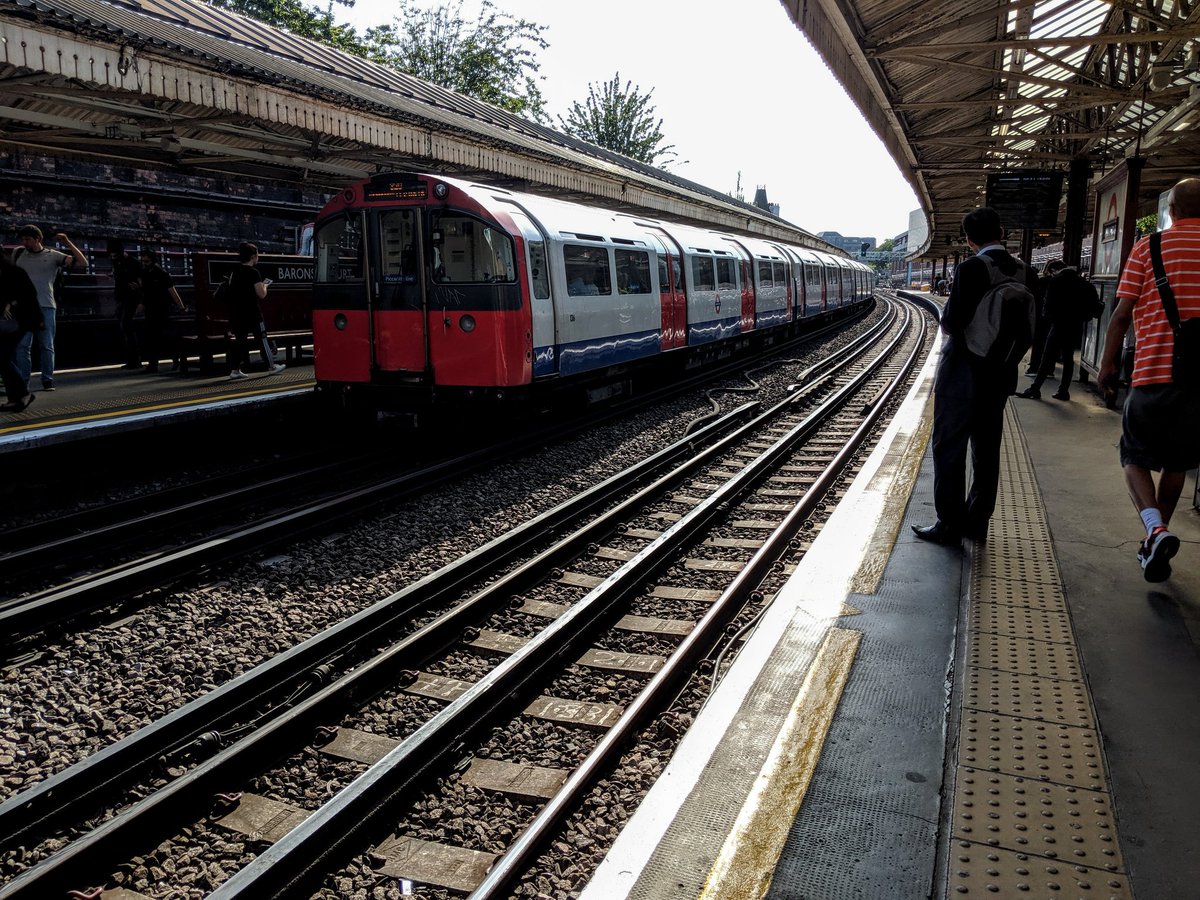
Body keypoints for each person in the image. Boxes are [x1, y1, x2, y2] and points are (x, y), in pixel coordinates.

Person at [912, 207, 1039, 545]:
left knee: (949, 449)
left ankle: (949, 524)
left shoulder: (971, 267)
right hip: (1000, 374)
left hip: (962, 375)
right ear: (1001, 231)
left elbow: (951, 322)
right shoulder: (1027, 272)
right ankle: (977, 521)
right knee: (987, 451)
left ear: (968, 240)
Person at [1098, 177, 1200, 583]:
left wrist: (1107, 365)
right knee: (1178, 462)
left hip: (1154, 372)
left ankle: (1155, 529)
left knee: (1134, 456)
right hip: (1199, 383)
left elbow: (1121, 316)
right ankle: (1155, 537)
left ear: (1171, 211)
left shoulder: (1149, 246)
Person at [12, 225, 86, 392]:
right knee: (22, 346)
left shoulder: (53, 256)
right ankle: (23, 382)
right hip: (24, 307)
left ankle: (47, 380)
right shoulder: (18, 253)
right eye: (23, 239)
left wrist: (67, 242)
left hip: (45, 305)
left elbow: (82, 262)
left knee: (46, 344)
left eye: (28, 239)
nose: (25, 243)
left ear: (38, 239)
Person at [1017, 260, 1100, 401]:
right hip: (1075, 326)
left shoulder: (1056, 282)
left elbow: (1047, 306)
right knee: (1068, 359)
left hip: (1058, 325)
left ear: (1054, 270)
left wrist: (1048, 318)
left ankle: (1035, 388)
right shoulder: (1085, 284)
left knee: (1047, 357)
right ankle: (1063, 391)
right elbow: (1095, 308)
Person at [224, 242, 284, 380]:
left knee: (240, 341)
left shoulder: (234, 271)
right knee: (262, 339)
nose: (258, 257)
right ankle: (271, 366)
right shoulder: (253, 272)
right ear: (252, 257)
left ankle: (235, 370)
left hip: (236, 313)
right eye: (257, 255)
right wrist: (265, 285)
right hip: (252, 313)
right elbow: (261, 294)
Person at [0, 248, 40, 412]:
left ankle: (22, 394)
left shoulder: (14, 272)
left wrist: (10, 303)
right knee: (3, 358)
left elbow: (29, 294)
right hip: (8, 323)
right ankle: (15, 398)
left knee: (3, 358)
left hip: (19, 321)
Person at [137, 250, 186, 372]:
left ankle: (160, 363)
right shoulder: (146, 274)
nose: (144, 263)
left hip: (162, 309)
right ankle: (155, 364)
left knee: (159, 337)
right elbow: (145, 293)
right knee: (153, 337)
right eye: (142, 261)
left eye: (146, 261)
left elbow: (172, 292)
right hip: (152, 309)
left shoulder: (162, 274)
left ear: (153, 260)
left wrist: (181, 306)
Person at [108, 240, 143, 369]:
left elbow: (141, 282)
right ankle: (132, 359)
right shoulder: (117, 261)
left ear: (122, 253)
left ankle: (135, 360)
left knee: (127, 325)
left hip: (131, 298)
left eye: (115, 255)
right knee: (125, 326)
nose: (113, 258)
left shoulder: (133, 264)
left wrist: (139, 296)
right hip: (122, 297)